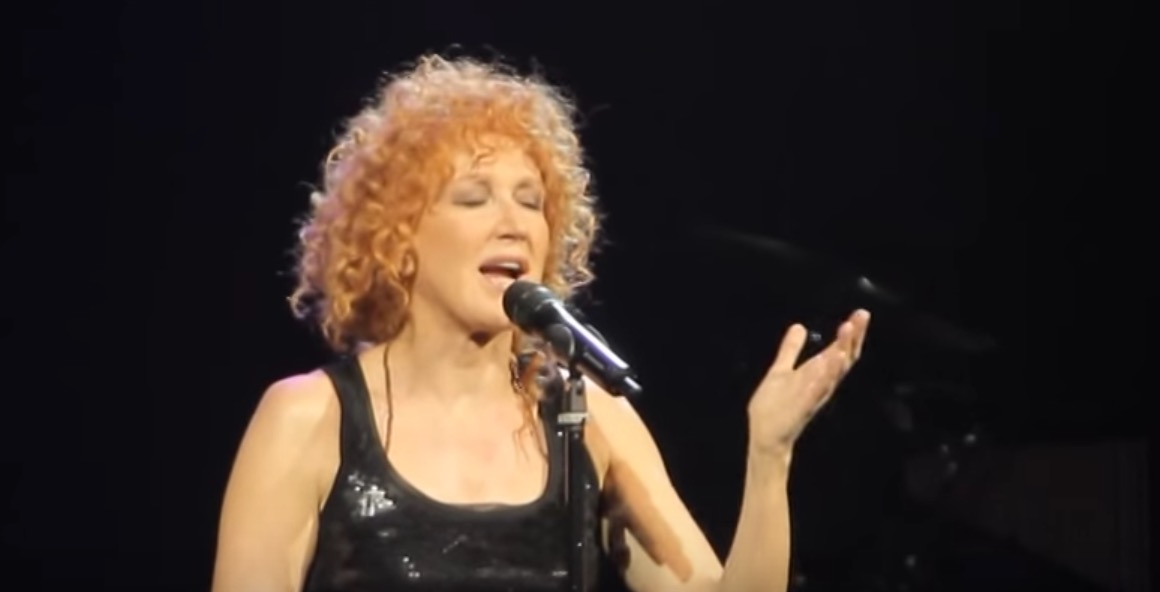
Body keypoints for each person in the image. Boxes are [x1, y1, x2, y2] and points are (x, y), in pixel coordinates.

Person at [210, 54, 871, 592]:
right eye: (474, 198)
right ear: (399, 238)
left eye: (531, 202)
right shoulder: (308, 417)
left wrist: (769, 458)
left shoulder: (588, 416)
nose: (514, 223)